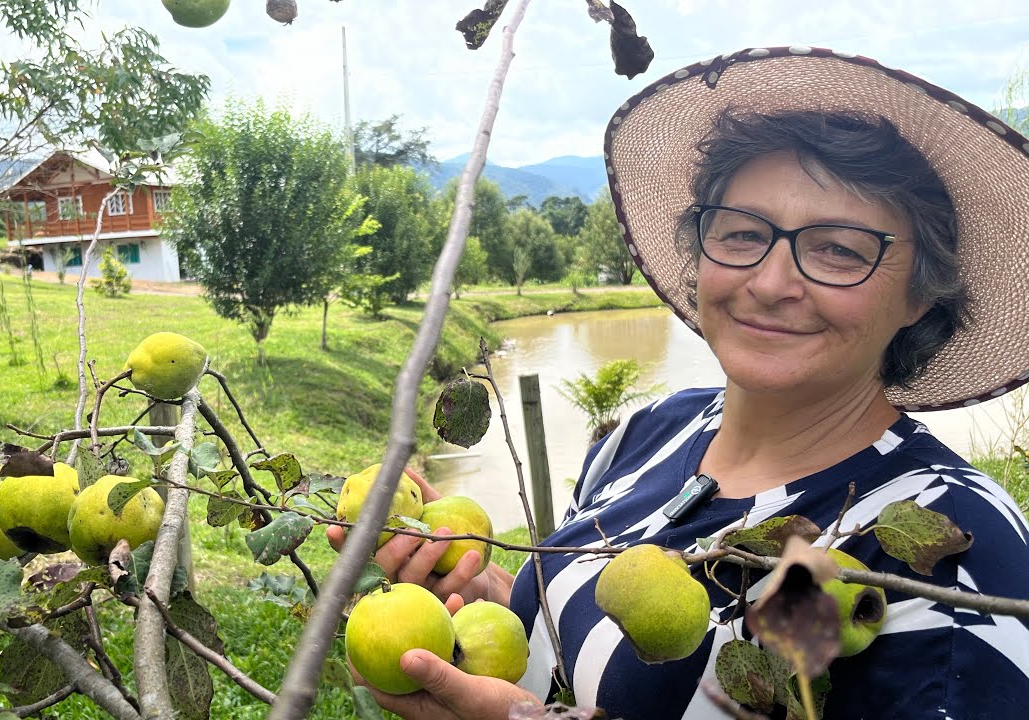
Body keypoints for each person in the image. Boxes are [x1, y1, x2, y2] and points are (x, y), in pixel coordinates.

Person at [328, 46, 1029, 719]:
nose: (771, 281)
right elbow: (591, 659)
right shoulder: (650, 432)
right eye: (742, 233)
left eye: (839, 249)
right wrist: (484, 597)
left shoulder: (948, 543)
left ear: (920, 296)